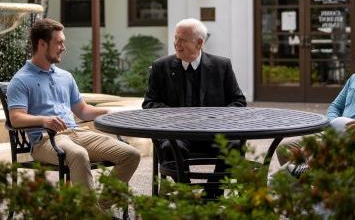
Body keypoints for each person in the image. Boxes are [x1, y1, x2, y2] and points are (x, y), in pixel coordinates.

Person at [7, 18, 140, 214]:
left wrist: (108, 113)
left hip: (77, 133)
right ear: (41, 44)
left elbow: (82, 111)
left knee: (130, 155)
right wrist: (44, 120)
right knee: (78, 155)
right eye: (59, 42)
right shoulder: (20, 80)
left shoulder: (65, 77)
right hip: (45, 141)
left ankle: (99, 210)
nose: (63, 47)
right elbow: (16, 118)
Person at [143, 18, 247, 197]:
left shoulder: (222, 66)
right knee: (169, 147)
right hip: (177, 135)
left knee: (235, 146)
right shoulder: (161, 67)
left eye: (182, 40)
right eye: (175, 38)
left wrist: (214, 119)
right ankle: (188, 195)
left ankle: (211, 195)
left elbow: (238, 102)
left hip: (215, 134)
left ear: (199, 43)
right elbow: (149, 103)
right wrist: (179, 117)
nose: (176, 44)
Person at [276, 25, 355, 177]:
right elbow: (335, 106)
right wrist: (335, 125)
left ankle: (303, 176)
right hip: (336, 133)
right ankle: (307, 180)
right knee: (283, 148)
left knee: (285, 174)